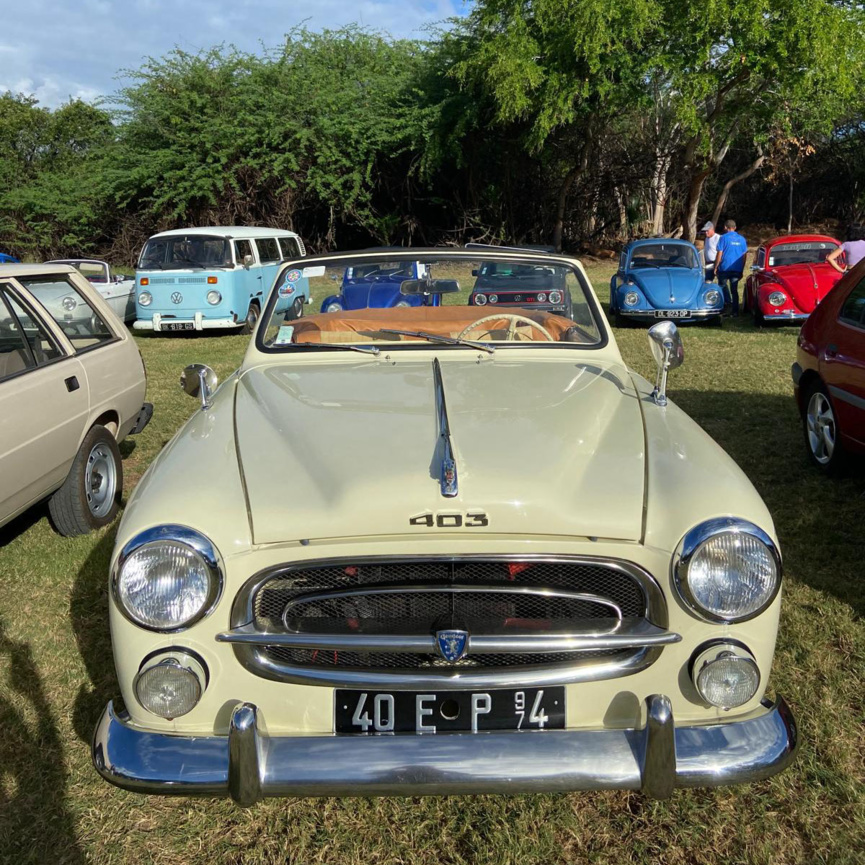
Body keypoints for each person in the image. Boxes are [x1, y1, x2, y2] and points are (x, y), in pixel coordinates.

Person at [714, 219, 748, 315]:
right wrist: (742, 268)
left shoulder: (723, 238)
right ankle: (735, 311)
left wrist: (716, 266)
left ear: (725, 227)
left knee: (721, 287)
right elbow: (744, 255)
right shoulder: (742, 239)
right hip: (737, 268)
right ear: (735, 227)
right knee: (734, 290)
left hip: (724, 268)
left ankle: (723, 307)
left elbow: (719, 253)